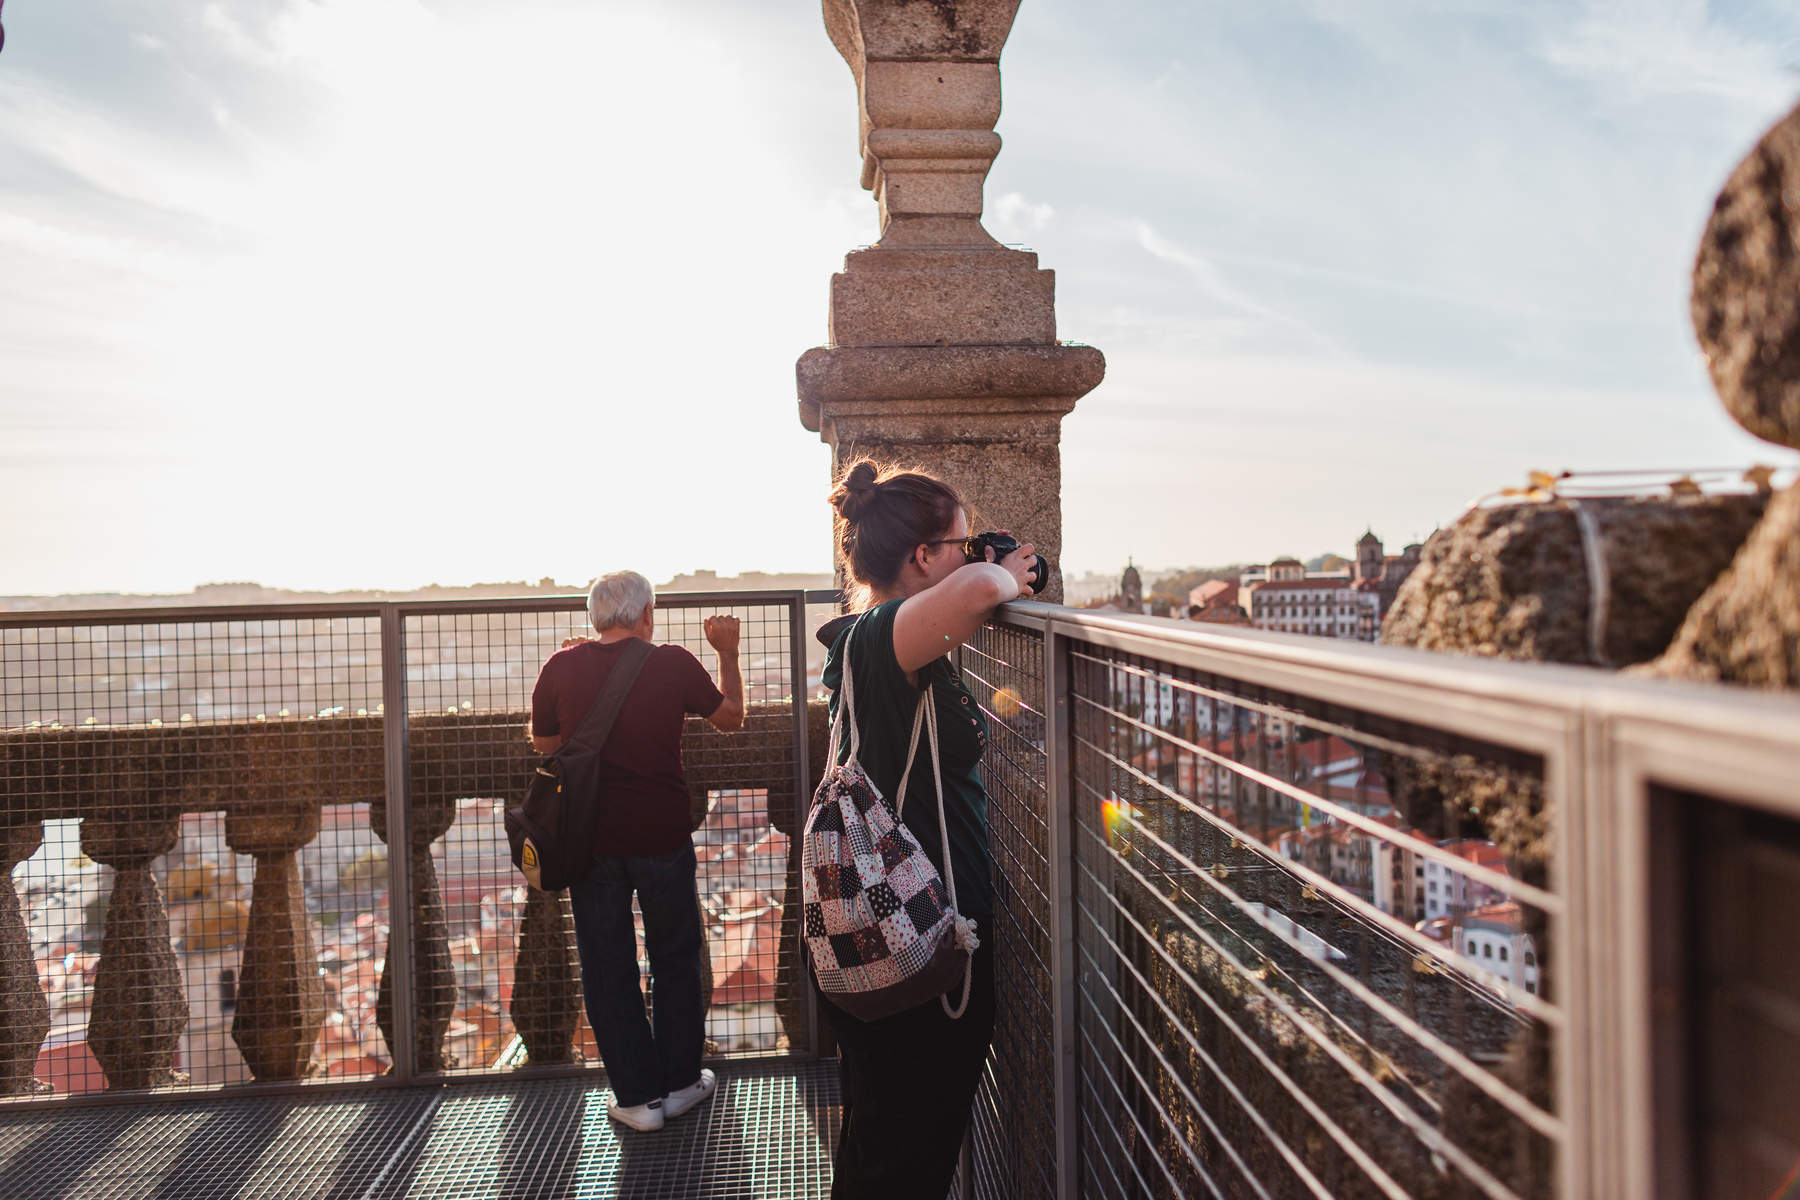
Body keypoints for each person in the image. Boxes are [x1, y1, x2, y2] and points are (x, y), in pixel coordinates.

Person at [815, 459, 1039, 1198]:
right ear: (922, 558)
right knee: (909, 1154)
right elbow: (978, 591)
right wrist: (1008, 574)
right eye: (959, 543)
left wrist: (983, 566)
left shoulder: (872, 641)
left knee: (885, 1139)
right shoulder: (879, 639)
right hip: (922, 943)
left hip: (900, 931)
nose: (970, 557)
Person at [529, 570, 744, 1132]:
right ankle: (679, 1085)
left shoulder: (559, 666)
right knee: (676, 958)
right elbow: (731, 719)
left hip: (590, 840)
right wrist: (728, 652)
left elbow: (547, 748)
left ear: (595, 617)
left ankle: (637, 1099)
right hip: (661, 833)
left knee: (607, 967)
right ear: (646, 614)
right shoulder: (671, 662)